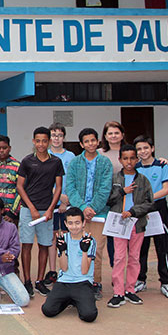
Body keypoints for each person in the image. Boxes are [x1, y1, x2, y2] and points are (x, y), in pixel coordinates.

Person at [64, 128, 113, 300]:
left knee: (96, 249)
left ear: (98, 141)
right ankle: (76, 280)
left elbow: (105, 188)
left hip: (99, 213)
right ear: (81, 144)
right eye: (87, 141)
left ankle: (95, 282)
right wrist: (83, 207)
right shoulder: (75, 163)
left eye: (93, 140)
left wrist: (92, 208)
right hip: (78, 214)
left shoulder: (105, 162)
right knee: (75, 248)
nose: (90, 144)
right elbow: (70, 187)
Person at [16, 126, 64, 298]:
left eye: (45, 141)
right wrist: (32, 208)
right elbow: (20, 186)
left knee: (44, 245)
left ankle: (40, 281)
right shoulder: (27, 161)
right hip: (28, 209)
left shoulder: (56, 162)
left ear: (49, 141)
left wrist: (51, 209)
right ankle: (27, 281)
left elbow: (58, 187)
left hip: (47, 211)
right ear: (33, 141)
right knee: (27, 245)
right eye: (38, 141)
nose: (41, 144)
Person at [106, 145, 153, 308]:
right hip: (118, 225)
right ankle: (118, 292)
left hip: (137, 224)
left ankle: (130, 290)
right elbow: (108, 200)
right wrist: (122, 192)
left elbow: (149, 203)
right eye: (125, 158)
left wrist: (133, 211)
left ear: (137, 159)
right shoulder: (114, 179)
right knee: (119, 258)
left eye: (132, 158)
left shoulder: (143, 180)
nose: (129, 161)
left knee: (134, 257)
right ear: (120, 160)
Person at [134, 135, 168, 300]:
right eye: (139, 149)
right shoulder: (135, 168)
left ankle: (166, 283)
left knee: (163, 247)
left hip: (158, 210)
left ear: (152, 148)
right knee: (141, 248)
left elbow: (165, 189)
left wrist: (148, 198)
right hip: (141, 211)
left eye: (145, 148)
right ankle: (140, 279)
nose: (143, 151)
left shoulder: (162, 165)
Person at [41, 207, 98, 322]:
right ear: (66, 224)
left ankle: (79, 300)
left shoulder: (89, 240)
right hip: (65, 281)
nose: (74, 226)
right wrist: (62, 250)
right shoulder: (63, 238)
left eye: (77, 223)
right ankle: (70, 300)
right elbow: (64, 268)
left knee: (89, 316)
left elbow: (84, 271)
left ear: (83, 223)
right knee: (47, 310)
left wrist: (84, 251)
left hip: (83, 282)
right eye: (70, 223)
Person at [46, 123, 76, 287]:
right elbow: (43, 181)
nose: (56, 138)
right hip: (51, 203)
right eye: (53, 135)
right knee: (51, 238)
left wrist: (67, 199)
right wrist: (56, 197)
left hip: (67, 204)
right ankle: (52, 271)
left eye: (59, 135)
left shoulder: (71, 156)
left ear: (64, 137)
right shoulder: (44, 155)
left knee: (66, 236)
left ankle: (68, 270)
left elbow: (74, 180)